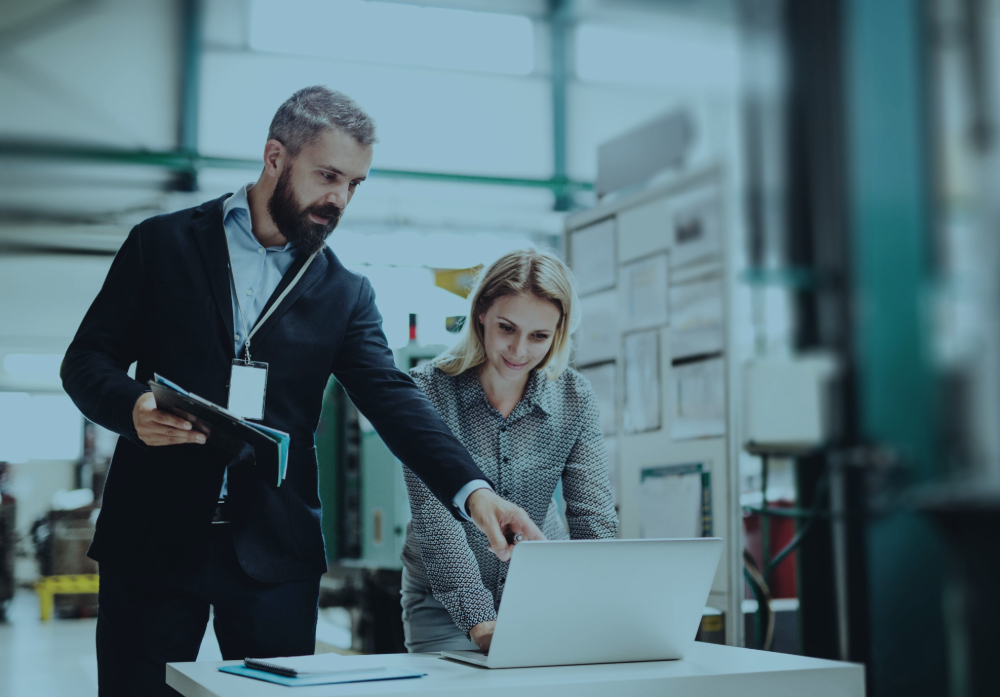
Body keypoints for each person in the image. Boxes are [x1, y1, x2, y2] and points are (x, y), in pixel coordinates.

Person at [60, 86, 542, 696]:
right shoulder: (161, 246)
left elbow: (394, 400)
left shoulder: (345, 292)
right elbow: (85, 361)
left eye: (354, 185)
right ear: (274, 157)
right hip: (153, 536)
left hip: (273, 550)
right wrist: (130, 408)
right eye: (329, 176)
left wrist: (475, 493)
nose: (339, 198)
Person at [399, 249, 619, 654]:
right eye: (507, 328)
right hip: (444, 603)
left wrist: (601, 606)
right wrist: (483, 627)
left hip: (540, 593)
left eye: (539, 336)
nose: (519, 350)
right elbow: (437, 525)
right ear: (481, 312)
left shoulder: (574, 398)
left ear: (559, 333)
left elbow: (593, 517)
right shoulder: (427, 391)